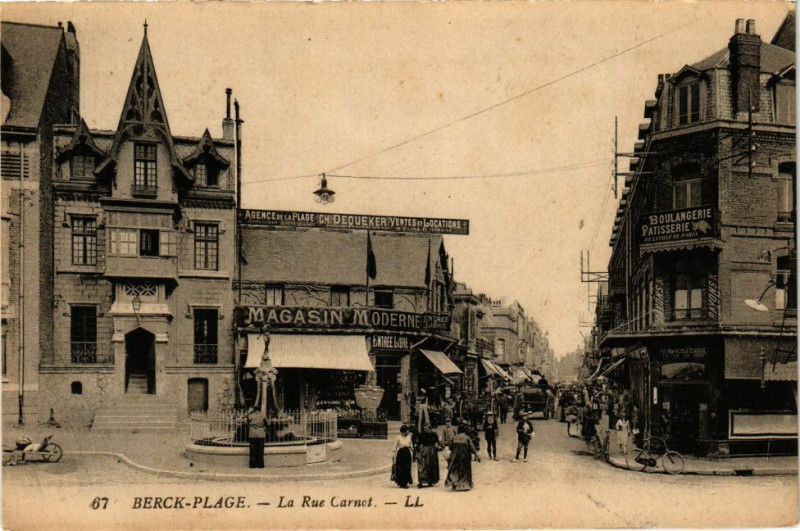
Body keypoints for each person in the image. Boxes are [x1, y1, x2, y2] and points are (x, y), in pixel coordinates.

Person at [445, 424, 480, 491]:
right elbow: (472, 448)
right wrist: (476, 455)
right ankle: (464, 485)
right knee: (464, 470)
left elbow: (450, 447)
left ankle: (454, 483)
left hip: (455, 456)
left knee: (455, 469)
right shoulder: (467, 438)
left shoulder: (454, 437)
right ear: (464, 431)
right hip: (465, 456)